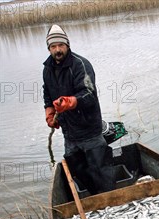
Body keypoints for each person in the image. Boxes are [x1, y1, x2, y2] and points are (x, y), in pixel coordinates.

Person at [43, 24, 115, 194]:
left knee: (101, 173)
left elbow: (89, 94)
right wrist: (49, 112)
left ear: (67, 45)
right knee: (79, 172)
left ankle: (111, 201)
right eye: (53, 47)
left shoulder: (80, 64)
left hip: (89, 131)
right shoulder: (47, 69)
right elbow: (47, 93)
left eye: (61, 45)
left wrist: (71, 101)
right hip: (69, 134)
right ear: (49, 49)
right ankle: (94, 200)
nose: (58, 50)